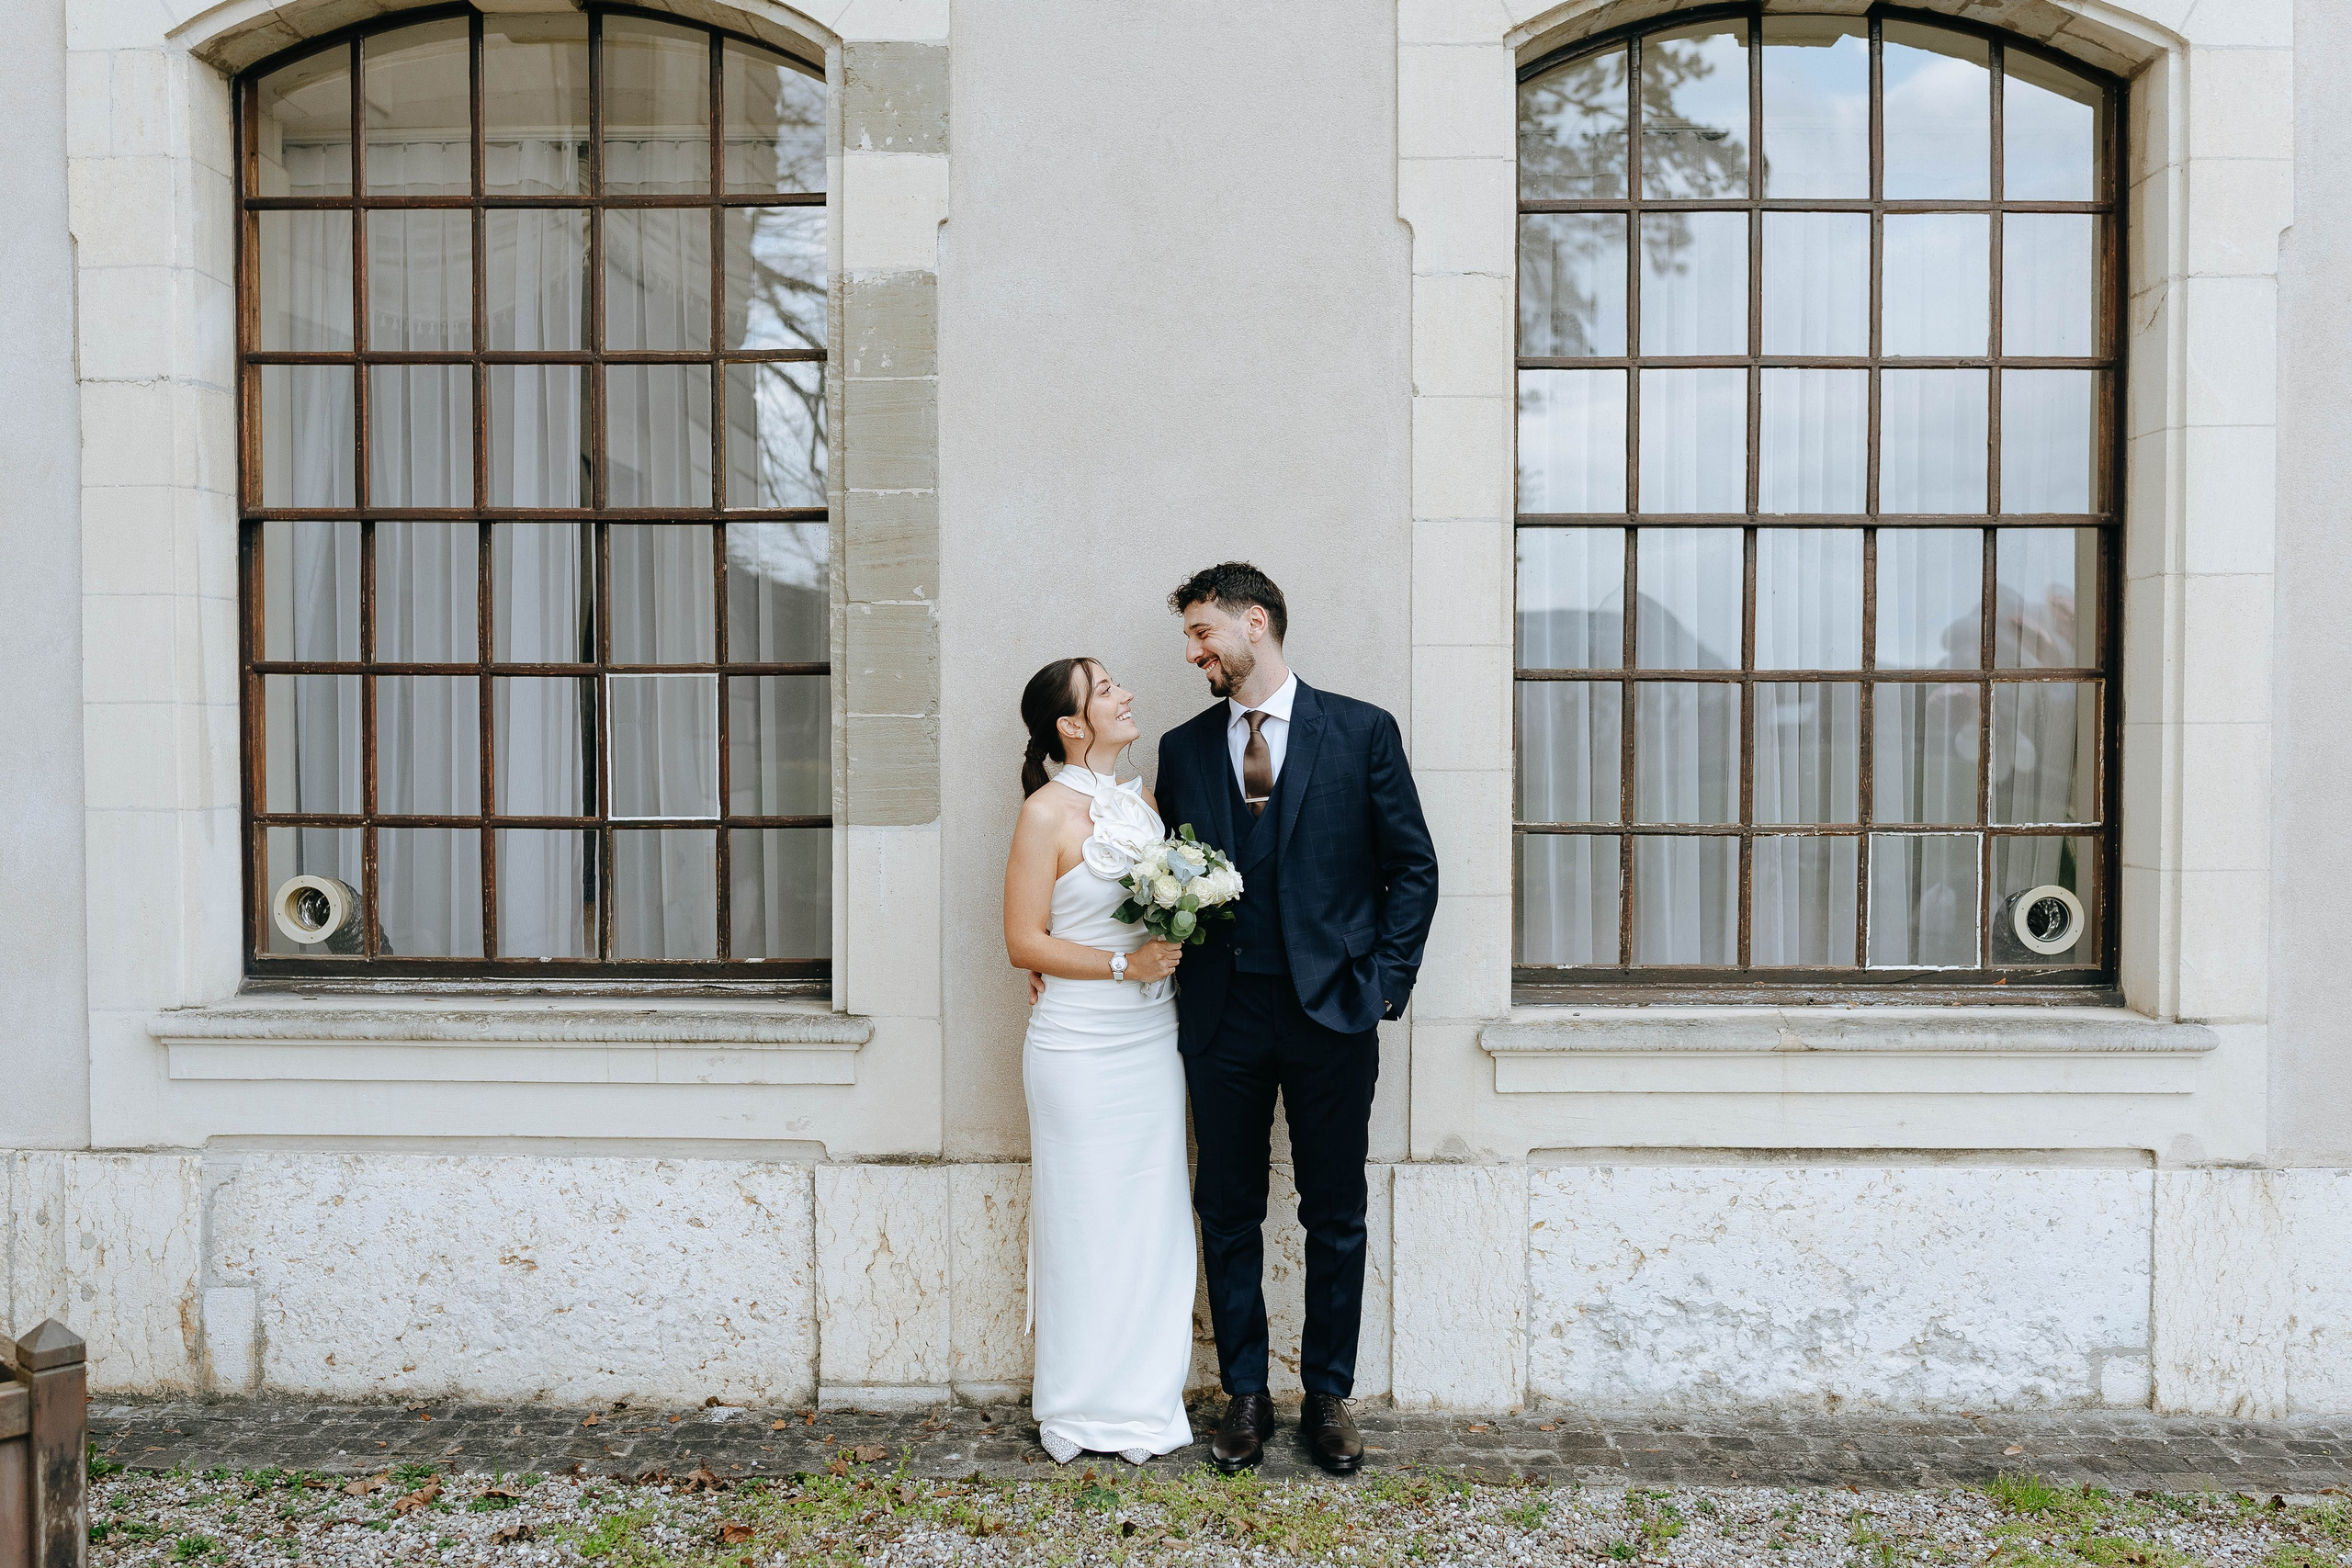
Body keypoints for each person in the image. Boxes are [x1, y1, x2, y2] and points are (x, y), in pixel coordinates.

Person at [1154, 562, 1440, 1474]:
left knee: (1335, 1211)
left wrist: (1383, 984)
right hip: (1222, 1016)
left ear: (1255, 622)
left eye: (1203, 632)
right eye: (1189, 638)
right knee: (1228, 1207)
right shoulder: (1183, 747)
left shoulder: (1360, 732)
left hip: (1331, 1016)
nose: (1194, 651)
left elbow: (1413, 869)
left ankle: (1328, 1396)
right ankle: (1246, 1395)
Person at [1001, 658, 1195, 1466]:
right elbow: (1023, 942)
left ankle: (1148, 1395)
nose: (1126, 693)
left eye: (1121, 680)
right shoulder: (1045, 814)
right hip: (1079, 1044)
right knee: (1084, 1221)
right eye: (1107, 687)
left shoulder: (1145, 802)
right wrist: (1124, 966)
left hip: (1153, 1040)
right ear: (1072, 725)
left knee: (1151, 1217)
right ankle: (1082, 1401)